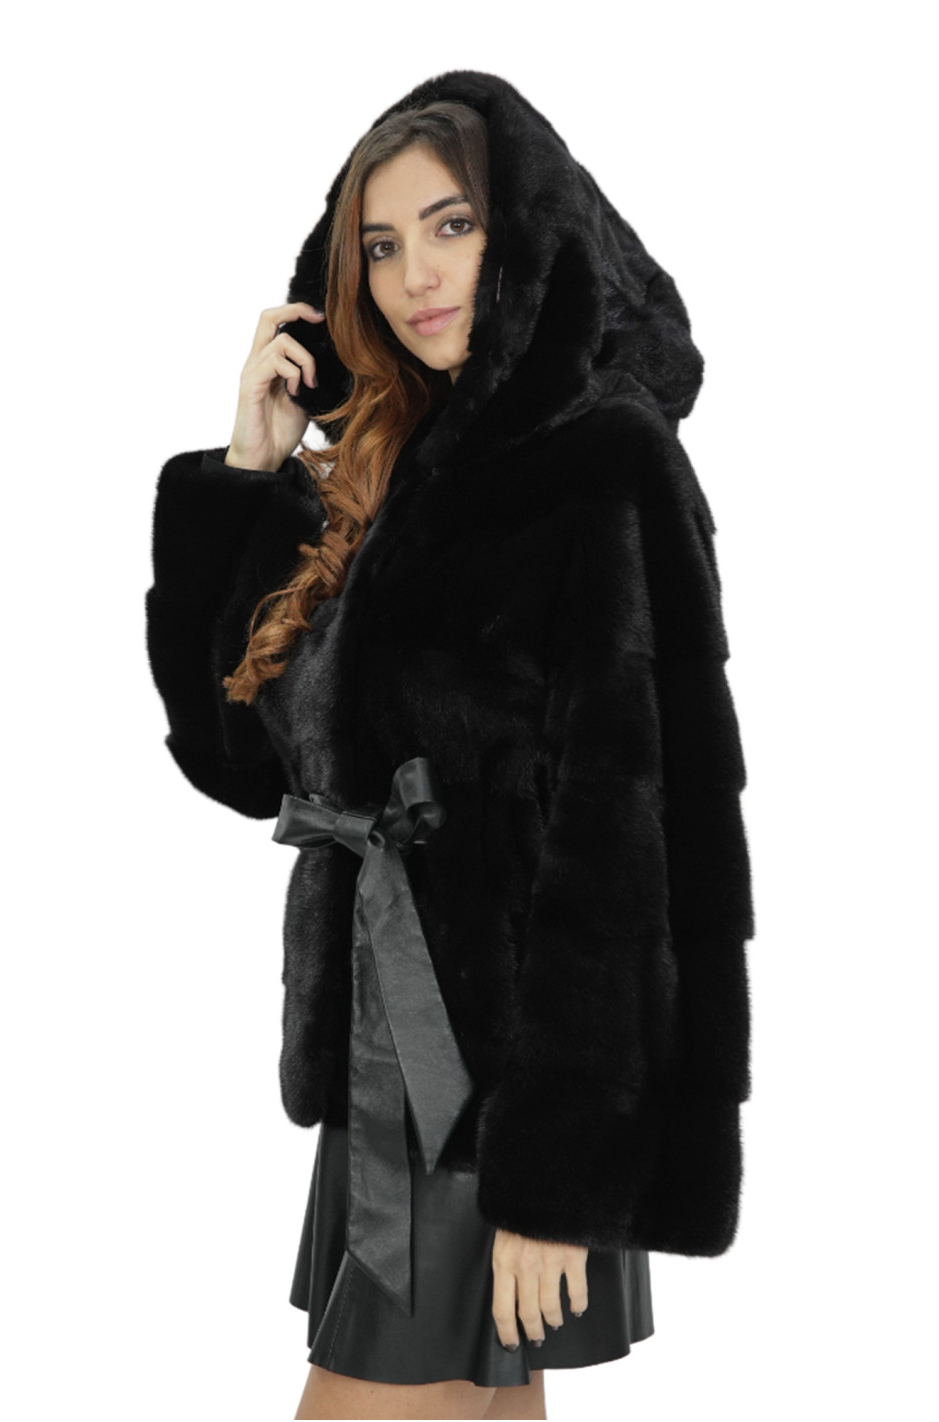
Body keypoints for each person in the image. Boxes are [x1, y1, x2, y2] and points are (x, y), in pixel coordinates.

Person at [145, 69, 755, 1422]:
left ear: (525, 234)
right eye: (380, 244)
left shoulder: (603, 459)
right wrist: (246, 477)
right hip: (396, 1061)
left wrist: (558, 1171)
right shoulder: (391, 465)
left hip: (509, 1086)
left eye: (453, 226)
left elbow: (635, 839)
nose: (416, 274)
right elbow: (238, 760)